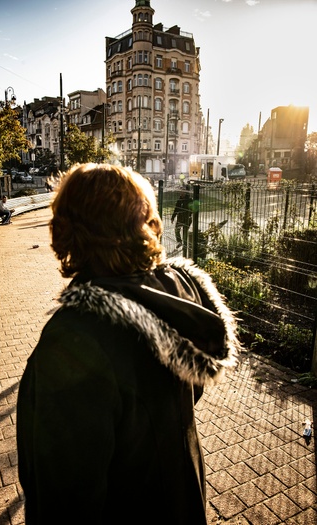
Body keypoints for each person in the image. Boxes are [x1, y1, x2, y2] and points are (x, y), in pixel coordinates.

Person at [16, 163, 241, 525]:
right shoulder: (177, 294)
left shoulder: (75, 338)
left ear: (67, 231)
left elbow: (63, 497)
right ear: (147, 224)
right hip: (182, 500)